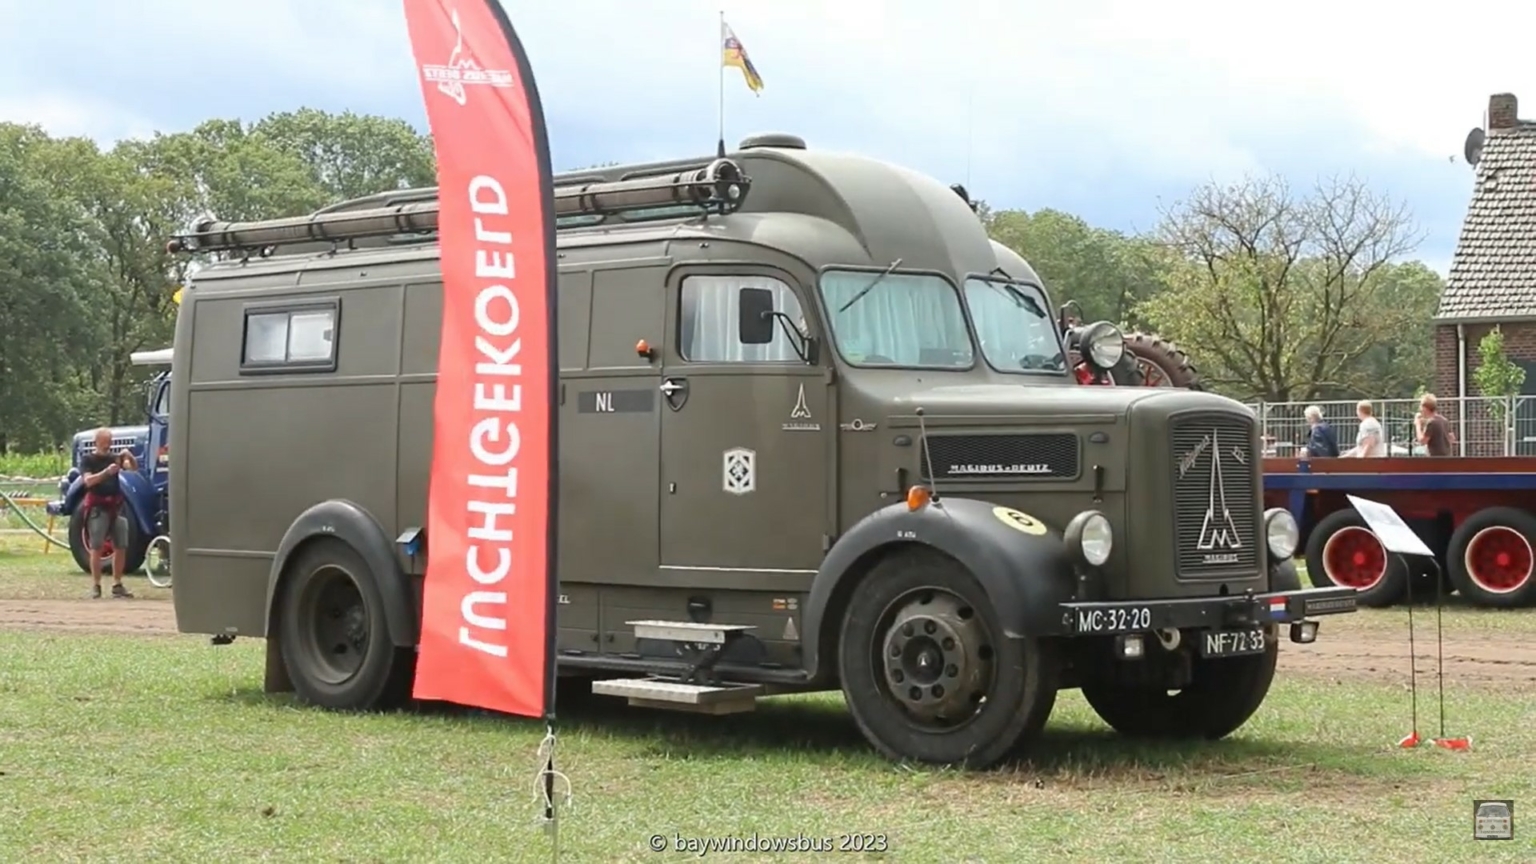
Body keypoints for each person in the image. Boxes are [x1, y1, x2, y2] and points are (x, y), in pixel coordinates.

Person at [78, 428, 136, 599]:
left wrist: (130, 457)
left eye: (109, 442)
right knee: (96, 547)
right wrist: (106, 473)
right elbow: (88, 481)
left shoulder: (114, 458)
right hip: (98, 507)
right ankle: (96, 586)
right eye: (104, 442)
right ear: (96, 442)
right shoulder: (88, 460)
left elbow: (132, 468)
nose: (107, 445)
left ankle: (117, 584)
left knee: (121, 546)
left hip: (116, 507)